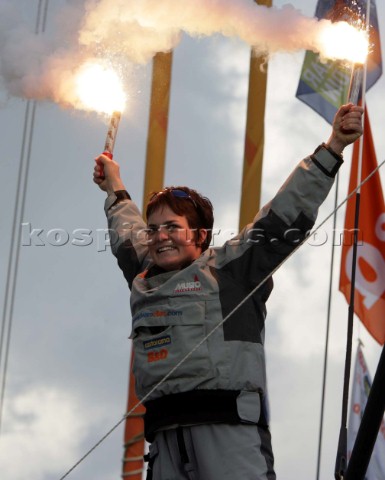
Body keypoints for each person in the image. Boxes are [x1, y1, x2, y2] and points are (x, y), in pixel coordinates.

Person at [93, 104, 363, 480]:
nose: (160, 237)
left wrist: (333, 147)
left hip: (229, 432)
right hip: (165, 440)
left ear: (200, 236)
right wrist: (114, 187)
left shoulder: (231, 270)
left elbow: (284, 213)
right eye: (153, 230)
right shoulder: (142, 274)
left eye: (172, 227)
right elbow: (125, 228)